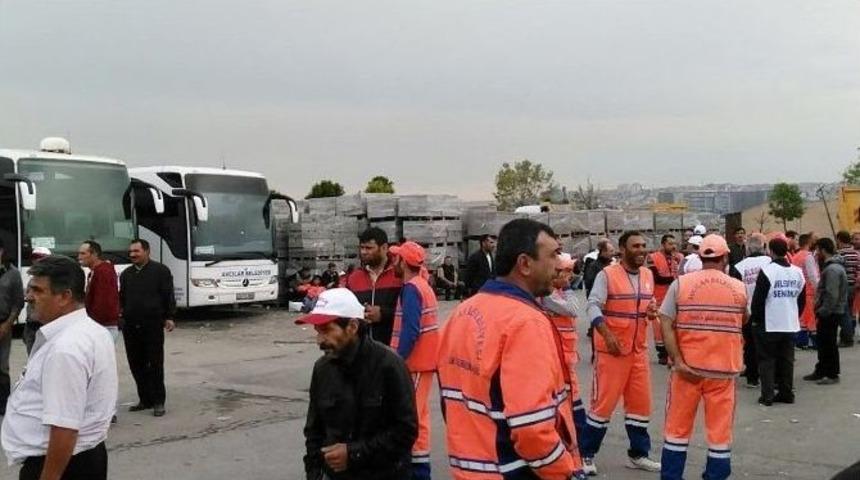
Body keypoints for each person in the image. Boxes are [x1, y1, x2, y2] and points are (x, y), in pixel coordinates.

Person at [437, 219, 586, 479]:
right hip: (512, 469)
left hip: (470, 467)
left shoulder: (462, 313)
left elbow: (452, 402)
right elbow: (532, 428)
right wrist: (563, 471)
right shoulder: (525, 322)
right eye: (553, 255)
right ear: (525, 263)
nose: (559, 264)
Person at [1, 256, 117, 480]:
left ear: (65, 297)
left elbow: (65, 428)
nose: (28, 297)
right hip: (84, 456)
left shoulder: (66, 349)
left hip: (61, 464)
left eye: (37, 290)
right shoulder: (91, 331)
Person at [300, 288, 417, 480]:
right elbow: (314, 432)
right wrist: (314, 474)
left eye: (327, 330)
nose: (319, 340)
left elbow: (405, 431)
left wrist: (354, 453)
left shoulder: (389, 366)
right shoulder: (322, 369)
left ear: (352, 327)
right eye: (317, 332)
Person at [657, 234, 747, 480]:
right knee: (719, 434)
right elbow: (744, 318)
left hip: (687, 371)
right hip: (723, 373)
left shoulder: (681, 284)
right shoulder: (738, 287)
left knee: (676, 430)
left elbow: (665, 322)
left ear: (700, 256)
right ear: (725, 257)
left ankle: (671, 476)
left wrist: (676, 359)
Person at [581, 230, 661, 476]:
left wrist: (650, 310)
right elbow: (593, 305)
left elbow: (644, 305)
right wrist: (607, 335)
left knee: (640, 405)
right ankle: (585, 454)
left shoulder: (647, 274)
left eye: (644, 246)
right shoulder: (607, 275)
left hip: (637, 352)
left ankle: (639, 454)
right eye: (635, 246)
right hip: (612, 352)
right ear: (622, 250)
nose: (641, 250)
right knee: (602, 405)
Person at [389, 241, 439, 480]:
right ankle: (420, 468)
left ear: (403, 262)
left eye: (396, 258)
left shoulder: (411, 288)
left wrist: (396, 362)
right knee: (420, 418)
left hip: (415, 364)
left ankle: (416, 472)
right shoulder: (422, 285)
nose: (393, 262)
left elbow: (410, 330)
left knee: (411, 417)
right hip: (423, 363)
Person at [119, 239, 176, 417]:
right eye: (131, 252)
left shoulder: (160, 271)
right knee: (136, 363)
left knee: (155, 363)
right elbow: (122, 298)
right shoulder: (126, 274)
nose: (133, 255)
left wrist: (169, 317)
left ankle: (159, 401)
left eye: (136, 251)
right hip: (130, 325)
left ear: (147, 251)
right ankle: (145, 399)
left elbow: (168, 295)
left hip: (152, 325)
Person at [539, 252, 586, 450]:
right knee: (569, 409)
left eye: (569, 271)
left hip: (566, 360)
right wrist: (568, 289)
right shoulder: (548, 295)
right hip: (556, 362)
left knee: (573, 407)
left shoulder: (556, 292)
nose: (569, 275)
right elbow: (573, 309)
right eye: (565, 271)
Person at [750, 237, 805, 405]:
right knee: (786, 360)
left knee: (767, 360)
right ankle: (786, 393)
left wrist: (756, 320)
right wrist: (795, 315)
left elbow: (759, 299)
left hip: (769, 322)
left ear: (770, 251)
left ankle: (767, 395)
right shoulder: (797, 272)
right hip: (789, 322)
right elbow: (801, 300)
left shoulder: (767, 271)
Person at [342, 227, 402, 345]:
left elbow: (411, 313)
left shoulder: (399, 275)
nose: (364, 252)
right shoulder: (354, 278)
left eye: (369, 248)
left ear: (384, 248)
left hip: (393, 349)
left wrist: (383, 314)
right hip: (362, 351)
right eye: (362, 248)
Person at [803, 238, 848, 385]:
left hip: (831, 312)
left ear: (822, 250)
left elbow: (831, 294)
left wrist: (823, 310)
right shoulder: (832, 267)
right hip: (831, 311)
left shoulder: (832, 269)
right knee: (824, 343)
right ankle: (821, 370)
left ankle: (832, 374)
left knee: (828, 344)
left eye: (817, 251)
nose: (816, 255)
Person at [730, 233, 771, 388]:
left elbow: (734, 289)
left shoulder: (739, 266)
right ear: (764, 247)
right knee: (767, 345)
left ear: (747, 249)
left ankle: (752, 377)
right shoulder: (770, 262)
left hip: (747, 310)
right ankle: (768, 376)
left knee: (749, 344)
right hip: (768, 310)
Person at [647, 234, 684, 365]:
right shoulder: (652, 257)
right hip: (659, 296)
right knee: (659, 327)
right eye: (670, 243)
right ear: (663, 244)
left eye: (675, 243)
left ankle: (674, 351)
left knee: (676, 324)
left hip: (677, 296)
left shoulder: (680, 258)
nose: (673, 246)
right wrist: (674, 278)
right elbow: (655, 277)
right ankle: (662, 353)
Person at [0, 238, 25, 415]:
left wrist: (8, 324)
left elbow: (18, 303)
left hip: (3, 324)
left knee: (2, 366)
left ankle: (4, 404)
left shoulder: (13, 273)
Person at [77, 241, 120, 340]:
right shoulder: (94, 272)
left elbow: (103, 302)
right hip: (99, 326)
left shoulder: (103, 272)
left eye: (83, 253)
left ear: (94, 254)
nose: (79, 257)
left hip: (104, 327)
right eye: (79, 253)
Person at [21, 247, 52, 354]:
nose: (36, 261)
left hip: (44, 324)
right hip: (31, 324)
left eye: (40, 258)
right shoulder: (33, 277)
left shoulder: (52, 279)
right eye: (34, 257)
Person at [792, 233, 820, 349]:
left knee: (802, 317)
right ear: (808, 243)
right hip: (809, 291)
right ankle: (815, 342)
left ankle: (801, 341)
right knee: (812, 318)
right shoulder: (808, 256)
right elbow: (813, 276)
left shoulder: (796, 256)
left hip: (799, 290)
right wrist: (818, 289)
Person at [835, 231, 858, 347]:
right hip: (853, 285)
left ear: (839, 240)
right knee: (849, 310)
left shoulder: (840, 254)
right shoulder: (855, 253)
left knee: (844, 313)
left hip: (843, 286)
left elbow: (838, 270)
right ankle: (848, 335)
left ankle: (847, 338)